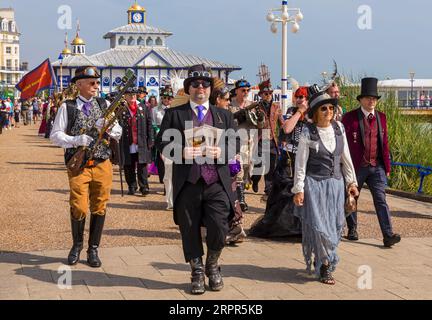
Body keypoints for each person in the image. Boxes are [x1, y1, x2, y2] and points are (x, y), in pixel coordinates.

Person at [156, 64, 237, 295]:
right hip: (188, 182)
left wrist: (221, 152)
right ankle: (197, 271)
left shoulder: (224, 115)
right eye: (195, 84)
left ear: (210, 89)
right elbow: (162, 143)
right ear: (188, 89)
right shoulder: (175, 115)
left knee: (219, 227)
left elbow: (235, 143)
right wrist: (180, 151)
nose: (200, 88)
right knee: (189, 229)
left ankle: (212, 265)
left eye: (204, 84)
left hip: (216, 182)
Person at [50, 66, 122, 267]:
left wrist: (107, 126)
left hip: (102, 163)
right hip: (79, 164)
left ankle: (93, 249)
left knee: (100, 205)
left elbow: (118, 132)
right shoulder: (68, 107)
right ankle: (77, 245)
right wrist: (76, 139)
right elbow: (55, 135)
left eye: (97, 82)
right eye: (91, 82)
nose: (96, 86)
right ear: (79, 84)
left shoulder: (104, 103)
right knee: (79, 206)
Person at [292, 91, 359, 285]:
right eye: (324, 108)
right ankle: (326, 265)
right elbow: (300, 163)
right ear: (314, 112)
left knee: (335, 226)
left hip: (336, 186)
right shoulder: (308, 131)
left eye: (331, 108)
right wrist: (299, 188)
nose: (329, 111)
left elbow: (345, 158)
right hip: (315, 186)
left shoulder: (339, 128)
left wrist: (351, 183)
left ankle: (322, 259)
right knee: (320, 228)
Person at [342, 77, 401, 247]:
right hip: (356, 166)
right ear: (361, 100)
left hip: (377, 166)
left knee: (381, 200)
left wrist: (387, 166)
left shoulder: (382, 117)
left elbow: (385, 142)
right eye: (368, 98)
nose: (371, 101)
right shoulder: (350, 118)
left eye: (374, 98)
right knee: (352, 198)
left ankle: (388, 235)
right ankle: (352, 229)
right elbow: (343, 142)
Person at [248, 86, 309, 238]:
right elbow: (287, 128)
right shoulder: (291, 111)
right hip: (289, 156)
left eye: (303, 97)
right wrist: (299, 112)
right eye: (298, 97)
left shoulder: (313, 114)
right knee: (281, 191)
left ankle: (299, 228)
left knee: (301, 192)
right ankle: (278, 226)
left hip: (306, 158)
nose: (300, 100)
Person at [211, 86, 247, 244]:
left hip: (228, 161)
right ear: (217, 99)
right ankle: (231, 227)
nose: (228, 102)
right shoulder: (207, 117)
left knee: (232, 192)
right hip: (213, 164)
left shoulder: (227, 115)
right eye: (226, 99)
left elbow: (234, 139)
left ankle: (236, 227)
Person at [250, 79, 284, 202]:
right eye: (266, 93)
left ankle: (268, 190)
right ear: (260, 95)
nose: (268, 95)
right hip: (260, 139)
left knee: (271, 166)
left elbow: (282, 123)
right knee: (258, 163)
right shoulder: (256, 107)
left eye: (270, 93)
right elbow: (252, 123)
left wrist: (285, 136)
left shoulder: (276, 106)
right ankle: (255, 179)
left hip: (272, 140)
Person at [119, 87, 154, 196]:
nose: (132, 96)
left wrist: (151, 139)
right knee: (128, 165)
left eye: (134, 94)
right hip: (127, 142)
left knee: (142, 165)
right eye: (129, 94)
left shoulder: (144, 107)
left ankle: (144, 187)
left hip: (141, 141)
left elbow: (150, 124)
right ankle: (132, 186)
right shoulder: (121, 109)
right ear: (125, 96)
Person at [230, 79, 257, 207]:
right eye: (243, 90)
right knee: (238, 169)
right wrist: (238, 118)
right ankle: (240, 199)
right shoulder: (230, 105)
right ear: (236, 91)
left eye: (247, 90)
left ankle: (243, 186)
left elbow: (259, 124)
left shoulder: (252, 105)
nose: (245, 92)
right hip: (236, 142)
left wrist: (260, 119)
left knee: (248, 168)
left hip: (250, 141)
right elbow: (228, 123)